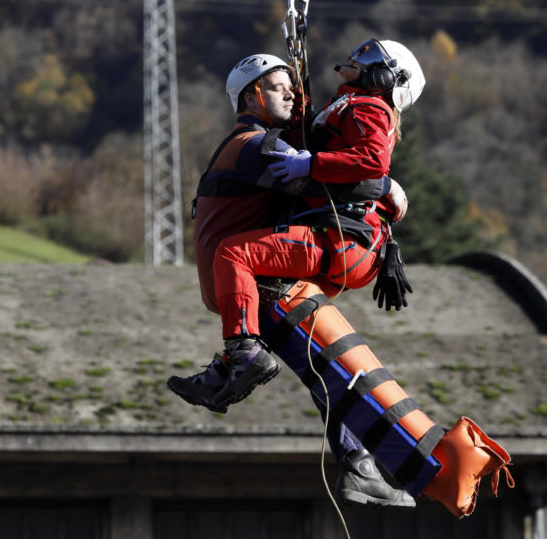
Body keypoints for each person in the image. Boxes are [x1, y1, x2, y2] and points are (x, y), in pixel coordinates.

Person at [168, 45, 423, 506]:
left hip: (262, 283)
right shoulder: (259, 145)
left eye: (292, 87)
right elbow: (334, 177)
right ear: (251, 98)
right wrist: (387, 189)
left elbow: (322, 160)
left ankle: (235, 362)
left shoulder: (260, 143)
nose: (292, 94)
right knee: (326, 376)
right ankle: (357, 463)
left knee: (324, 371)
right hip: (266, 277)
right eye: (278, 87)